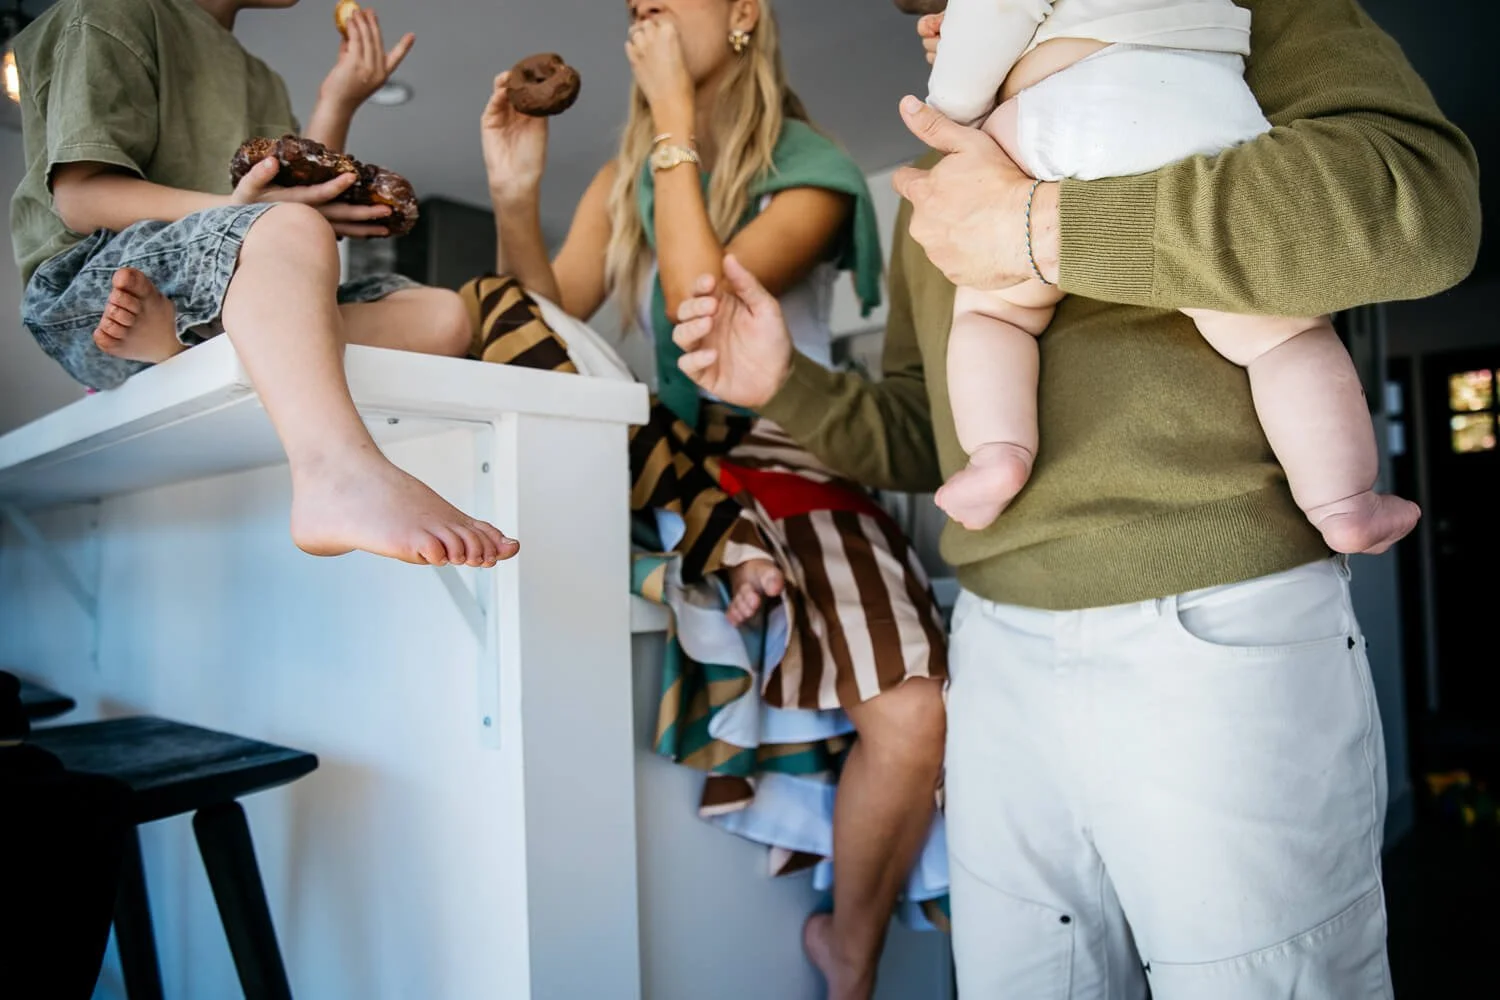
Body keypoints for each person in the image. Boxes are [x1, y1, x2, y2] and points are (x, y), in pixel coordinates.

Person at [671, 0, 1481, 995]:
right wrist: (780, 382)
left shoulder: (1220, 12)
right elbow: (931, 436)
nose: (934, 26)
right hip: (999, 650)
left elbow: (1419, 208)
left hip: (1213, 627)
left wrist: (1035, 227)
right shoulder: (939, 162)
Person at [479, 2, 947, 997]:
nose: (642, 6)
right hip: (669, 460)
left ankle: (850, 951)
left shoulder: (809, 163)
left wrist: (674, 125)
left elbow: (711, 320)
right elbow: (550, 326)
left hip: (794, 448)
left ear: (743, 15)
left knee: (911, 713)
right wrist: (515, 198)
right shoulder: (629, 170)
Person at [10, 0, 513, 568]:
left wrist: (338, 101)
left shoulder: (260, 78)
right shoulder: (112, 11)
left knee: (443, 317)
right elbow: (81, 197)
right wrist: (247, 210)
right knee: (288, 228)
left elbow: (284, 199)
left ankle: (183, 349)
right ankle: (335, 474)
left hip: (224, 285)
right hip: (103, 289)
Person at [919, 0, 1420, 553]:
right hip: (1203, 108)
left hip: (1070, 105)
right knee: (1285, 338)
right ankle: (1343, 503)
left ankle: (996, 454)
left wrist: (953, 100)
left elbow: (995, 15)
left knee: (995, 313)